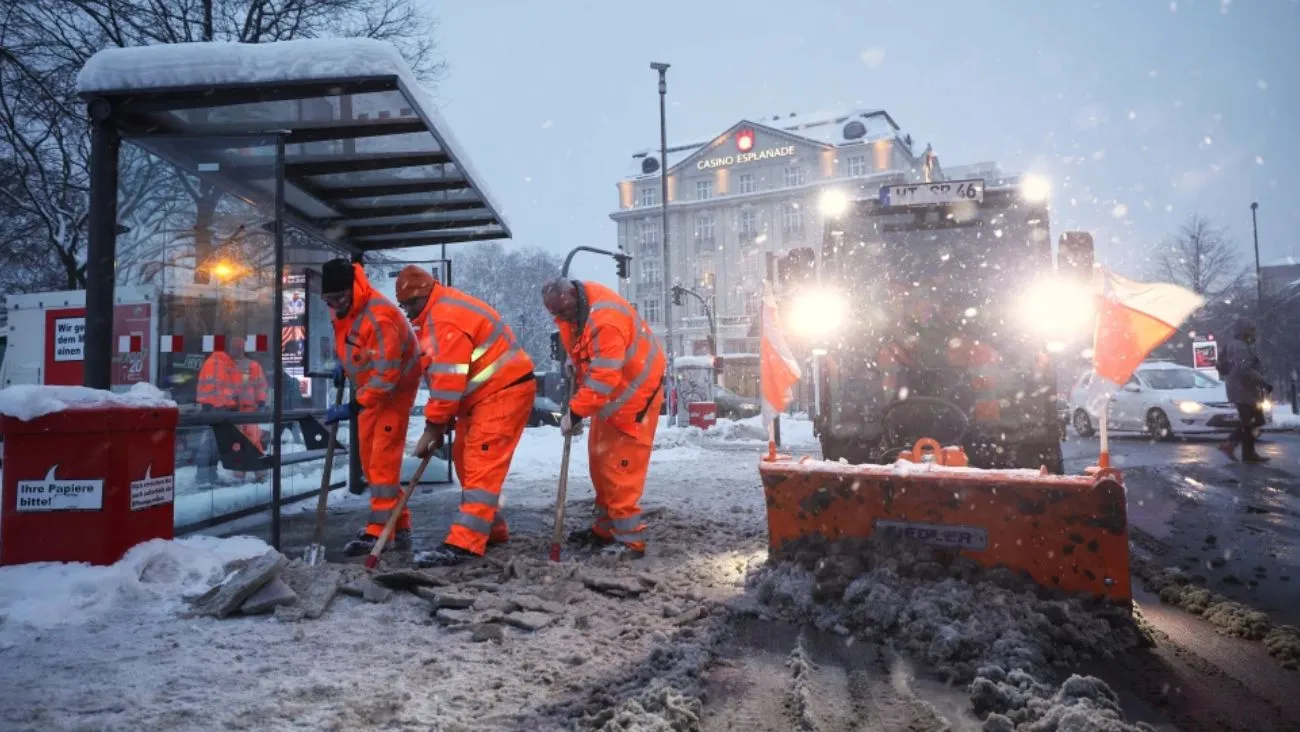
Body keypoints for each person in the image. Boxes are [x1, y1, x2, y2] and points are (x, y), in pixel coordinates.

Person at [392, 266, 537, 567]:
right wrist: (440, 422)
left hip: (503, 392)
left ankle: (466, 543)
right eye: (402, 305)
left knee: (480, 463)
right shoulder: (437, 314)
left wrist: (433, 428)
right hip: (482, 396)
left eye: (410, 304)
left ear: (425, 294)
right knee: (465, 461)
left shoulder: (445, 320)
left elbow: (447, 382)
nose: (407, 311)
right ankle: (490, 528)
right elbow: (449, 381)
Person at [541, 276, 666, 558]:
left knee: (619, 470)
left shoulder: (606, 320)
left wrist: (574, 412)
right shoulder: (579, 310)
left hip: (634, 400)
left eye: (562, 312)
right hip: (613, 400)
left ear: (572, 296)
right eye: (555, 314)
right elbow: (588, 351)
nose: (560, 318)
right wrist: (575, 359)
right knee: (601, 464)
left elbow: (603, 378)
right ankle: (606, 528)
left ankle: (630, 541)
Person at [319, 258, 422, 555]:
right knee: (368, 457)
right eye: (328, 299)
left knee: (382, 459)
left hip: (395, 389)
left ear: (352, 289)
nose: (335, 304)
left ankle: (379, 532)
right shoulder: (344, 308)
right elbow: (351, 341)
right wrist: (344, 363)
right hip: (371, 388)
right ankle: (400, 524)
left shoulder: (379, 317)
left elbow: (387, 374)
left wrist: (353, 406)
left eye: (339, 298)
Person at [1218, 319, 1272, 464]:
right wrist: (1264, 383)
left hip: (1240, 388)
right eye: (1251, 331)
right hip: (1244, 389)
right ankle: (1231, 444)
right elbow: (1246, 369)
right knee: (1254, 420)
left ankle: (1248, 453)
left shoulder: (1235, 346)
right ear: (1245, 332)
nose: (1254, 334)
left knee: (1251, 420)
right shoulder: (1240, 347)